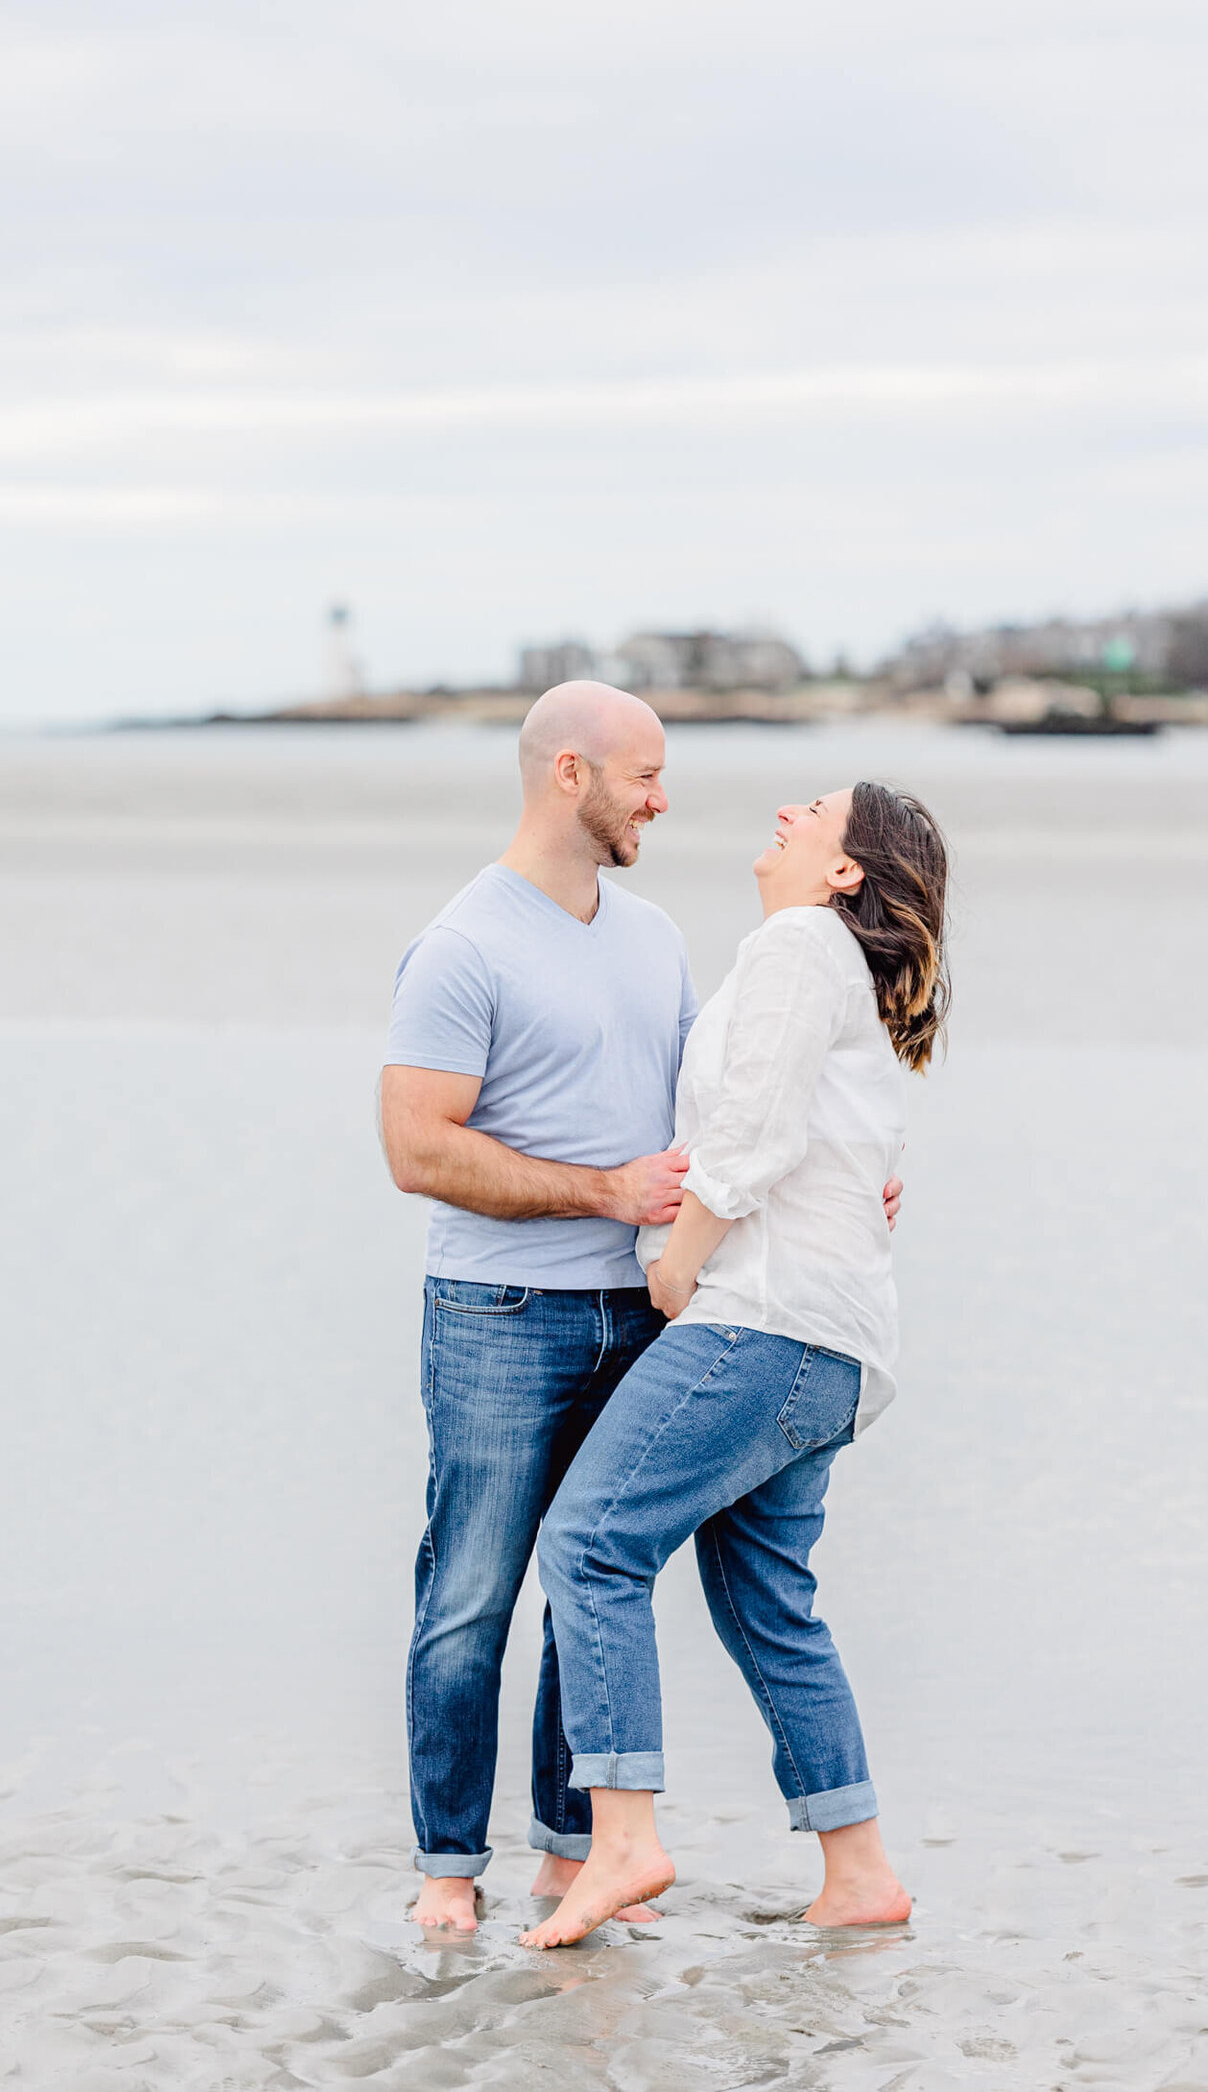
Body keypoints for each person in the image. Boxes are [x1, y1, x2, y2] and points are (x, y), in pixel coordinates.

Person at [381, 695, 903, 1932]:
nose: (663, 800)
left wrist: (846, 1164)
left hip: (653, 1304)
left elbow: (727, 1106)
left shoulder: (659, 936)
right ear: (572, 774)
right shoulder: (461, 946)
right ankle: (449, 1873)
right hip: (502, 1311)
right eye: (646, 776)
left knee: (588, 1584)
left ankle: (575, 1853)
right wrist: (606, 1191)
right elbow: (415, 1150)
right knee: (469, 1595)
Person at [518, 781, 949, 1949]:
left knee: (589, 1543)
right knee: (767, 1602)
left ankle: (621, 1840)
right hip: (827, 1342)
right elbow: (830, 1137)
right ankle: (858, 1872)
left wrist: (679, 1265)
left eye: (819, 809)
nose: (790, 809)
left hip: (757, 1321)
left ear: (846, 871)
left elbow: (751, 1131)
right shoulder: (826, 966)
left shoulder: (800, 944)